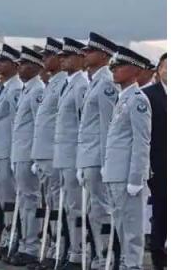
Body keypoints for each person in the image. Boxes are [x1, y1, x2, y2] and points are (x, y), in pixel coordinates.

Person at [103, 45, 153, 270]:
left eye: (120, 66)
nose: (114, 69)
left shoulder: (137, 100)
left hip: (127, 176)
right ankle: (125, 264)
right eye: (113, 65)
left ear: (134, 71)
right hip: (115, 174)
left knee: (131, 228)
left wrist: (136, 178)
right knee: (121, 226)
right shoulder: (122, 99)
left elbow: (141, 141)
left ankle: (132, 266)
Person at [77, 32, 120, 269]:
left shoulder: (106, 84)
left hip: (97, 158)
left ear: (103, 55)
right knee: (94, 211)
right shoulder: (94, 81)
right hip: (88, 157)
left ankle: (108, 256)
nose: (85, 54)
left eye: (89, 51)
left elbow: (108, 126)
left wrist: (106, 162)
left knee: (102, 210)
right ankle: (99, 255)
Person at [29, 38, 67, 266]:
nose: (44, 60)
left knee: (58, 205)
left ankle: (58, 250)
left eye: (48, 56)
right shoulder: (52, 83)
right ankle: (51, 248)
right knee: (51, 204)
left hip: (55, 154)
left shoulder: (64, 84)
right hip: (43, 153)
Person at [53, 37, 90, 269]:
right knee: (68, 206)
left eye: (68, 56)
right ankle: (69, 250)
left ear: (80, 58)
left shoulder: (81, 85)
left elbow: (82, 124)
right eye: (62, 56)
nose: (63, 60)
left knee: (77, 207)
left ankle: (78, 253)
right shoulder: (68, 83)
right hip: (63, 156)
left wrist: (80, 161)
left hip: (74, 156)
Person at [6, 46, 46, 266]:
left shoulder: (38, 90)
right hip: (18, 153)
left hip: (28, 155)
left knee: (30, 201)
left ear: (36, 67)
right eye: (19, 63)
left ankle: (30, 246)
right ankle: (23, 243)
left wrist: (34, 157)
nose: (20, 67)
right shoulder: (26, 89)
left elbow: (39, 126)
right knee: (23, 201)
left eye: (24, 64)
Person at [0, 44, 23, 259]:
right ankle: (1, 237)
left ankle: (10, 238)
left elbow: (15, 126)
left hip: (8, 152)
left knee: (10, 200)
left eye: (3, 61)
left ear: (14, 65)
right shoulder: (6, 87)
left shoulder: (16, 89)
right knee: (2, 198)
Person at [141, 52, 166, 270]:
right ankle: (159, 256)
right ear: (158, 70)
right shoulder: (147, 95)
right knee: (160, 212)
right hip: (158, 165)